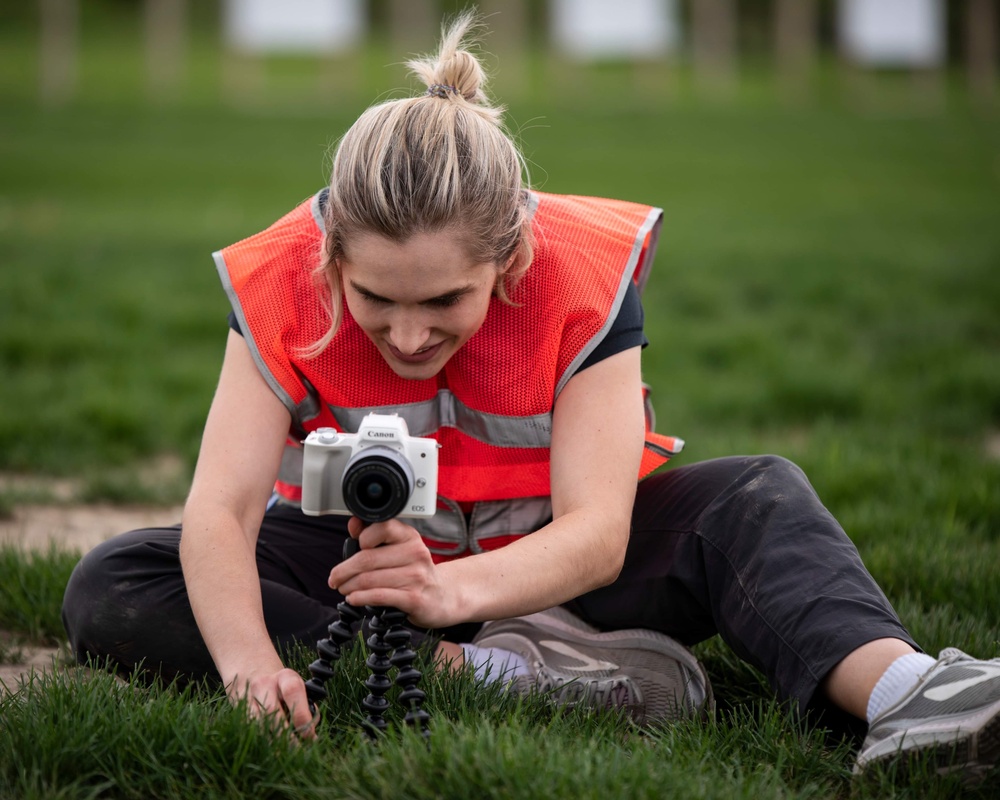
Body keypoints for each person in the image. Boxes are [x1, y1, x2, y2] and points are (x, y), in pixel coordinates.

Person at [62, 12, 999, 784]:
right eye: (375, 299)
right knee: (118, 584)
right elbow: (218, 515)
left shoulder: (582, 278)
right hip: (369, 572)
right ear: (330, 256)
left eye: (444, 302)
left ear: (509, 258)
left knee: (758, 494)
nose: (409, 333)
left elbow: (598, 532)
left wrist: (447, 589)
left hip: (561, 570)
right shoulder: (276, 283)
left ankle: (905, 696)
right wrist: (252, 670)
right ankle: (491, 676)